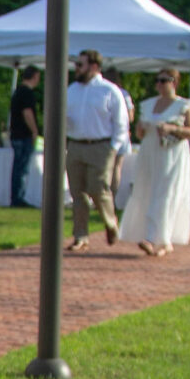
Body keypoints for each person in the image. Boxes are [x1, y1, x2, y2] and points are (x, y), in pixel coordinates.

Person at [117, 67, 190, 257]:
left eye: (164, 80)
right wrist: (141, 128)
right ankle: (157, 238)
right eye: (158, 81)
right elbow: (139, 133)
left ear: (174, 83)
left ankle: (155, 238)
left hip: (171, 154)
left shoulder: (184, 106)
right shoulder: (148, 104)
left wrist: (171, 128)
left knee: (166, 194)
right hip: (149, 152)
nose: (160, 84)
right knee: (146, 190)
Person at [61, 50, 132, 249]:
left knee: (98, 189)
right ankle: (81, 236)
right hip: (75, 145)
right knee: (77, 193)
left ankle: (110, 223)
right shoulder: (72, 90)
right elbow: (64, 116)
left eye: (80, 65)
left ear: (93, 66)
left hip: (101, 146)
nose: (76, 69)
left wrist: (113, 148)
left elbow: (121, 122)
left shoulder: (110, 90)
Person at [8, 63, 43, 200]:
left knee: (18, 167)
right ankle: (18, 197)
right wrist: (34, 131)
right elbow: (27, 113)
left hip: (15, 133)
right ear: (34, 77)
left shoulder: (17, 92)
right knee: (22, 168)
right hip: (24, 135)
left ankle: (16, 196)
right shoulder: (27, 93)